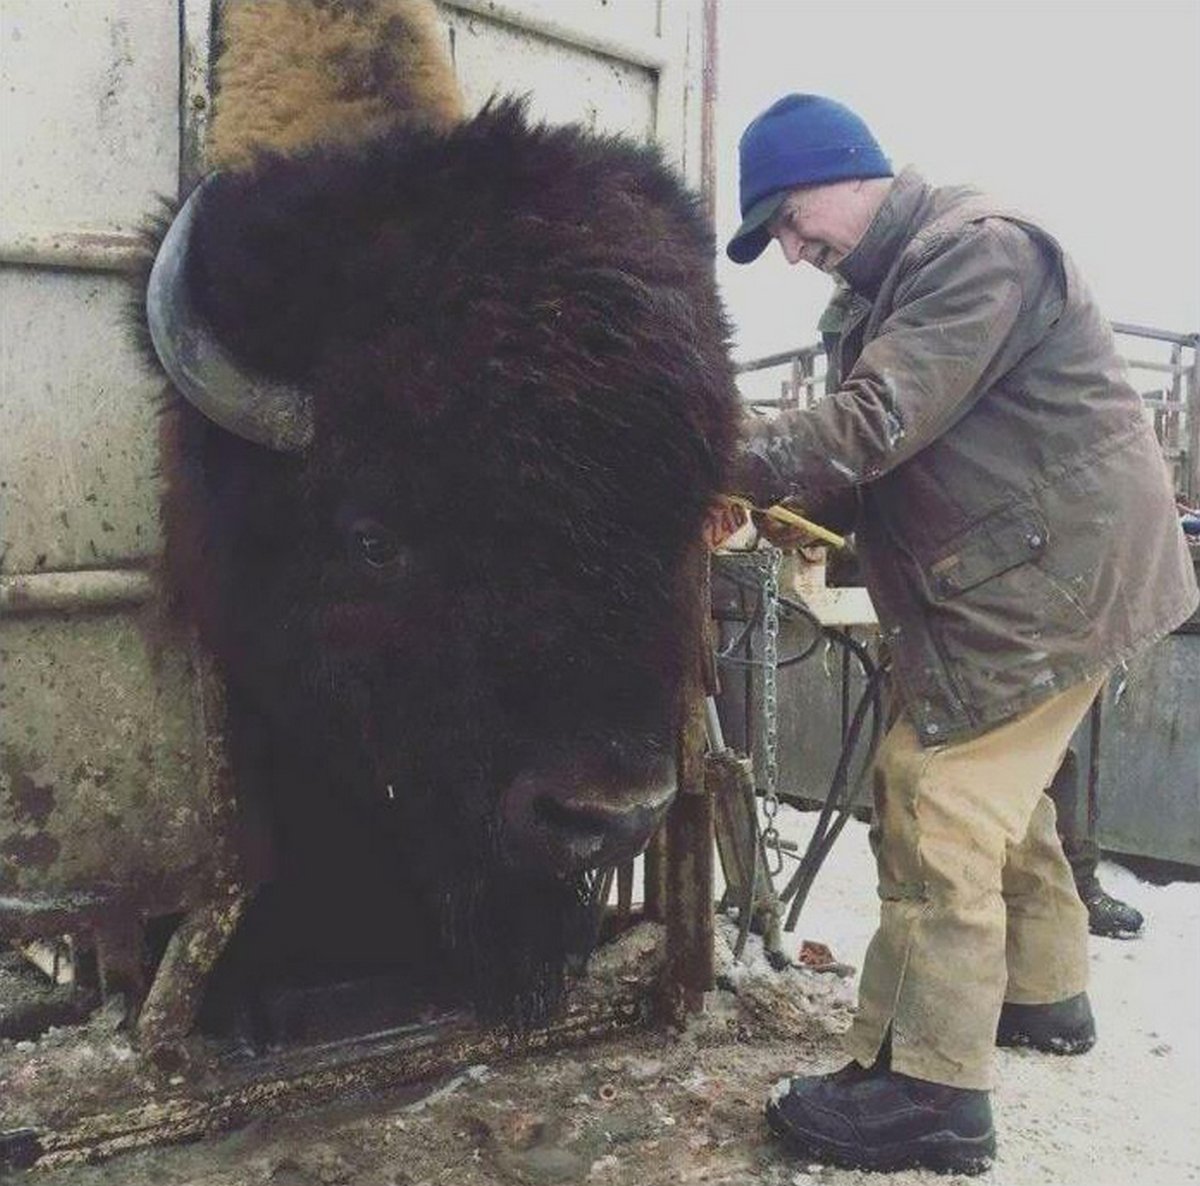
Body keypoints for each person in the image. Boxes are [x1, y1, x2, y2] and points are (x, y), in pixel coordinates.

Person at [722, 94, 1198, 1175]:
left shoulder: (974, 255)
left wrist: (703, 442)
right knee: (999, 799)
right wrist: (770, 505)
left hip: (1060, 583)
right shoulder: (879, 292)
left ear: (849, 173)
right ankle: (1041, 992)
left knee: (935, 794)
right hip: (1026, 576)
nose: (797, 253)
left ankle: (930, 1090)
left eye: (793, 223)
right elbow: (865, 468)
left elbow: (875, 423)